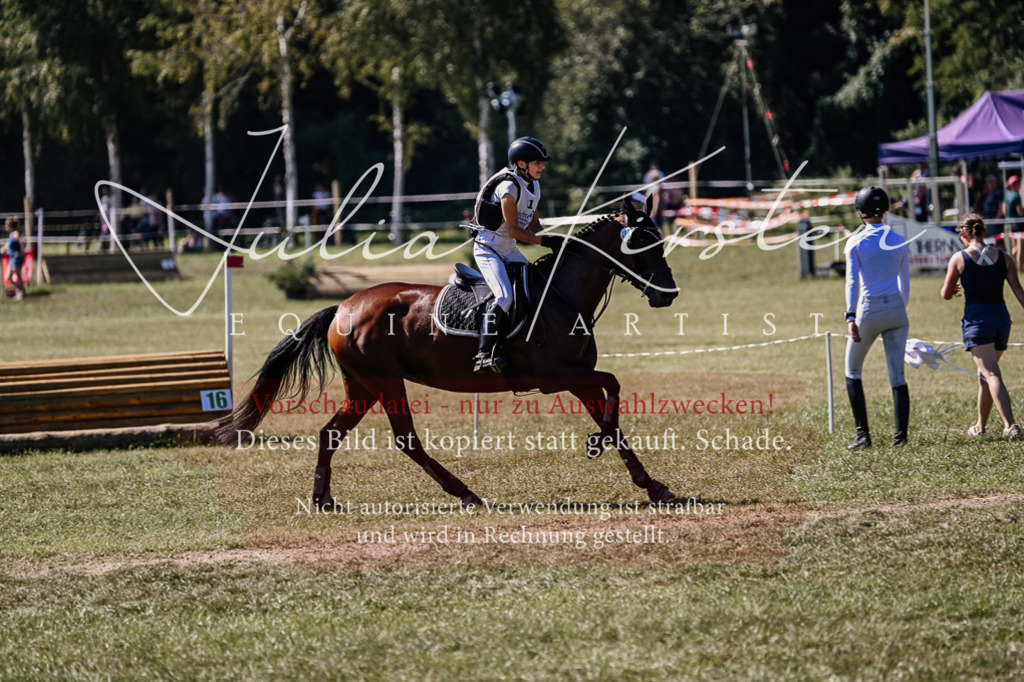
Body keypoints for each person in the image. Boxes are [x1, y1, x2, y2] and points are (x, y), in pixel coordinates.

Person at [469, 136, 559, 374]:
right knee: (505, 297)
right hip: (488, 249)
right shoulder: (508, 188)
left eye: (542, 162)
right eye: (538, 162)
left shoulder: (535, 186)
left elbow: (535, 227)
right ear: (522, 164)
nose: (543, 166)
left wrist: (560, 241)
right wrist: (545, 241)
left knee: (535, 284)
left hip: (508, 249)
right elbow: (515, 230)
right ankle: (483, 354)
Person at [940, 213, 1024, 439]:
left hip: (977, 321)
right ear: (984, 232)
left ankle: (1010, 425)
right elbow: (1018, 290)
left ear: (965, 235)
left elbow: (946, 294)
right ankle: (980, 426)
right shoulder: (1004, 257)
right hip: (1001, 320)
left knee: (991, 374)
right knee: (984, 375)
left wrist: (954, 288)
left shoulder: (959, 258)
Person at [844, 186, 911, 449]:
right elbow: (904, 284)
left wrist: (851, 316)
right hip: (896, 308)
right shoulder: (898, 240)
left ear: (860, 212)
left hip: (869, 309)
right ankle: (900, 439)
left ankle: (863, 435)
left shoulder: (855, 242)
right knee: (898, 376)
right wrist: (898, 309)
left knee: (852, 370)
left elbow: (852, 283)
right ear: (885, 210)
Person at [1002, 175, 1023, 270]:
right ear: (1016, 184)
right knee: (1020, 247)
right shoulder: (1016, 196)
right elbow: (1020, 212)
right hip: (1019, 224)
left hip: (1011, 223)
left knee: (1015, 247)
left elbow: (1004, 211)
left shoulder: (1007, 195)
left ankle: (1014, 265)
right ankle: (1019, 267)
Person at [5, 217, 26, 301]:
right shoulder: (11, 235)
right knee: (8, 277)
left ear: (11, 226)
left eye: (7, 225)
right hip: (12, 258)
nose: (5, 227)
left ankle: (19, 293)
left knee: (17, 276)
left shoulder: (15, 233)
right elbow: (8, 246)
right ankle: (21, 291)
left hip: (16, 258)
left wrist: (21, 252)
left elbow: (22, 242)